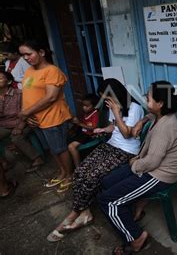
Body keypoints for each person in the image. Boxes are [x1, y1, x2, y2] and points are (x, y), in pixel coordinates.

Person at [47, 78, 144, 242]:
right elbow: (114, 127)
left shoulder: (135, 108)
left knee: (92, 176)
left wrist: (118, 112)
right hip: (111, 145)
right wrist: (103, 128)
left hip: (126, 151)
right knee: (80, 171)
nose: (105, 101)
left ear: (116, 94)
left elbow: (127, 133)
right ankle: (85, 212)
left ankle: (74, 214)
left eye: (106, 98)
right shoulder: (112, 106)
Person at [99, 81, 177, 254]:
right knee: (107, 181)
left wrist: (134, 164)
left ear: (160, 104)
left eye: (149, 96)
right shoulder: (160, 116)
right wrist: (143, 120)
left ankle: (137, 238)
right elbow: (152, 117)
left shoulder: (166, 127)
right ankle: (129, 215)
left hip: (158, 175)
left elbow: (152, 162)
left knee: (108, 202)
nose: (146, 97)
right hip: (147, 165)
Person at [18, 40, 73, 192]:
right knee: (51, 149)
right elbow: (27, 94)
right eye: (23, 55)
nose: (26, 58)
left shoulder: (52, 71)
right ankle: (62, 172)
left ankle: (69, 175)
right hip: (36, 119)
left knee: (60, 148)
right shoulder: (30, 71)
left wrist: (26, 113)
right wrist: (27, 115)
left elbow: (51, 97)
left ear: (41, 52)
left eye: (29, 54)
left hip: (53, 117)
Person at [0, 71, 44, 172]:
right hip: (4, 124)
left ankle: (37, 159)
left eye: (0, 78)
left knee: (16, 138)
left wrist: (20, 127)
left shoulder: (19, 94)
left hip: (23, 122)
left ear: (9, 81)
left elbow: (27, 111)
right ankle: (4, 162)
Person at [67, 93, 100, 167]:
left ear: (94, 106)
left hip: (89, 135)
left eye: (87, 106)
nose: (84, 107)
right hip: (83, 132)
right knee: (67, 139)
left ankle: (78, 168)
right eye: (83, 105)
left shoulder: (95, 114)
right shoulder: (87, 112)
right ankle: (71, 165)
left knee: (71, 146)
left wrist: (80, 124)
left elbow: (94, 128)